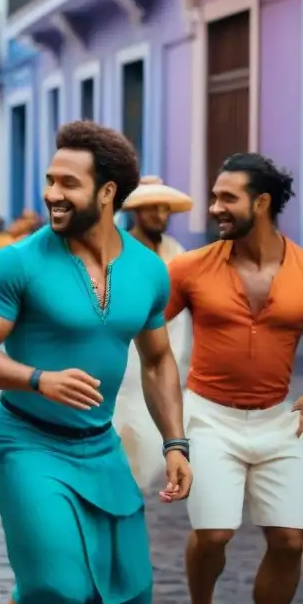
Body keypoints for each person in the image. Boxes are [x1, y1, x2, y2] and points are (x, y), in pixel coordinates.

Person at [0, 121, 192, 604]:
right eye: (49, 179)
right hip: (28, 444)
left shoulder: (150, 270)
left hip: (99, 449)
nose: (51, 194)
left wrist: (176, 443)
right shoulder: (20, 261)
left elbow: (158, 360)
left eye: (68, 183)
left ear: (107, 192)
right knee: (57, 585)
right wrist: (37, 378)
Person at [167, 153, 303, 604]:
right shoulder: (190, 268)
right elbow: (143, 328)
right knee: (213, 535)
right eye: (215, 196)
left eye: (228, 198)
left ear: (262, 203)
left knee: (291, 542)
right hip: (208, 417)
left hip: (279, 419)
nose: (214, 207)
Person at [114, 177, 194, 491]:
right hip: (123, 366)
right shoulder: (117, 250)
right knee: (117, 447)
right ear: (136, 211)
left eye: (164, 209)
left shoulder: (178, 252)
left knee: (149, 455)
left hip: (169, 360)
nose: (160, 215)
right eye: (151, 208)